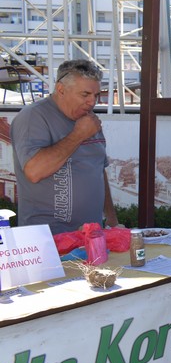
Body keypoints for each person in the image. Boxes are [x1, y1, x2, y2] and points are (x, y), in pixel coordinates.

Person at [10, 59, 120, 234]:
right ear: (61, 89)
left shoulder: (89, 120)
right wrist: (78, 135)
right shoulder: (33, 117)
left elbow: (98, 169)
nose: (92, 102)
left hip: (90, 235)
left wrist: (111, 218)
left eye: (96, 95)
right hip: (47, 237)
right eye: (85, 94)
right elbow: (34, 171)